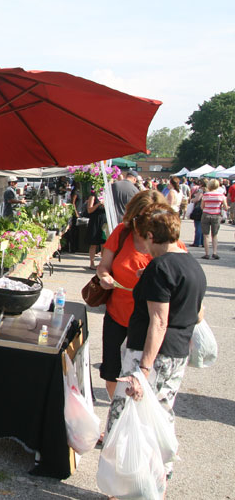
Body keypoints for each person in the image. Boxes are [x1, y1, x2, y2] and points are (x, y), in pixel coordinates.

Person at [106, 202, 206, 487]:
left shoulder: (160, 268)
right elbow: (197, 313)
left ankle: (129, 484)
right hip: (177, 353)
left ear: (150, 235)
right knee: (160, 412)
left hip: (151, 354)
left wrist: (143, 370)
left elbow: (158, 322)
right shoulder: (191, 264)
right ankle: (158, 476)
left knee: (128, 416)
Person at [96, 190, 184, 401]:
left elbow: (180, 274)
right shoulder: (122, 232)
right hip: (118, 316)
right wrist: (104, 277)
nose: (141, 225)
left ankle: (133, 416)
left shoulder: (170, 242)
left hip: (148, 322)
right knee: (111, 373)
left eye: (148, 219)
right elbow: (103, 266)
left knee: (145, 379)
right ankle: (117, 408)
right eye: (138, 218)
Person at [200, 178, 228, 259]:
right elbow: (225, 207)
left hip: (206, 215)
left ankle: (207, 253)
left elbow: (202, 206)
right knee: (214, 235)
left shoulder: (206, 195)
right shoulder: (221, 196)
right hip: (216, 215)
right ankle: (215, 252)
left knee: (206, 235)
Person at [85, 190, 106, 269]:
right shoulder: (93, 196)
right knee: (93, 243)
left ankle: (102, 263)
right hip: (95, 220)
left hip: (104, 220)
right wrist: (98, 204)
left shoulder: (107, 195)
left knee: (104, 243)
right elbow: (89, 210)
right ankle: (92, 263)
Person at [188, 179, 206, 247]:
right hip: (206, 209)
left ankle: (197, 242)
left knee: (198, 226)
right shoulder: (209, 190)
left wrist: (192, 200)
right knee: (204, 227)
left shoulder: (201, 190)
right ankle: (203, 242)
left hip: (199, 208)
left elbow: (197, 199)